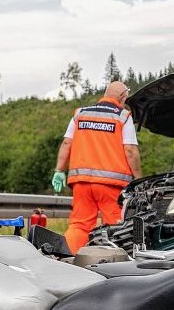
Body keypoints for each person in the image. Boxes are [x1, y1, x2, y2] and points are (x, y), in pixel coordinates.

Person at [52, 81, 142, 253]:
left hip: (81, 183)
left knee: (79, 225)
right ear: (123, 97)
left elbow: (66, 143)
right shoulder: (123, 116)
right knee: (115, 226)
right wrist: (138, 179)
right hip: (111, 185)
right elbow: (130, 150)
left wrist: (59, 170)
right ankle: (112, 263)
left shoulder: (80, 114)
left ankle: (67, 258)